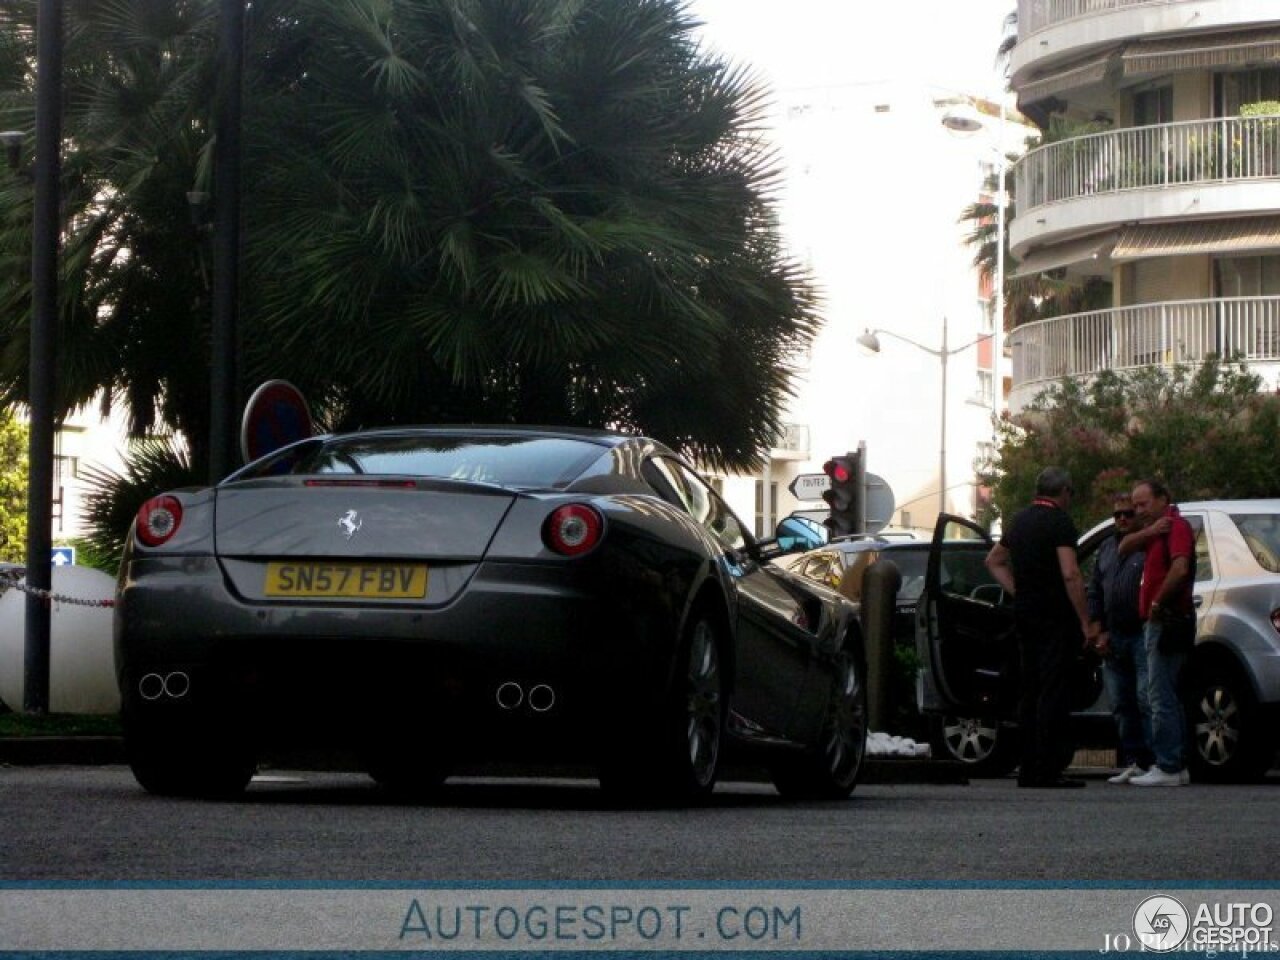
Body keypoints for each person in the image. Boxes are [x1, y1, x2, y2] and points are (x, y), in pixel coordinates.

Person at [986, 466, 1100, 789]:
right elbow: (1070, 573)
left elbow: (993, 560)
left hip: (1025, 614)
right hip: (1054, 616)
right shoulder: (1060, 522)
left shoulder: (1019, 521)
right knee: (1053, 690)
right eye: (1070, 493)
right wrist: (1084, 620)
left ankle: (1028, 765)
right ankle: (1048, 767)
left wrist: (1017, 589)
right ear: (1063, 492)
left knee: (1030, 688)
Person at [1120, 478, 1195, 787]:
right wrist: (1149, 530)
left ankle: (1168, 764)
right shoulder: (1157, 531)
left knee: (1159, 693)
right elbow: (1124, 545)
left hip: (1165, 620)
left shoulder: (1176, 528)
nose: (1139, 511)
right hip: (1158, 620)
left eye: (1144, 504)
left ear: (1163, 498)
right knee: (1164, 692)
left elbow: (1179, 568)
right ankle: (1172, 762)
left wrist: (1156, 603)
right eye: (1135, 506)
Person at [1086, 492, 1152, 784]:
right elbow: (1095, 590)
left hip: (1141, 633)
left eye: (1128, 513)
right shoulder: (1106, 549)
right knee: (1121, 703)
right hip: (1114, 636)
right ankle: (1135, 760)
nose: (1123, 519)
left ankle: (1156, 761)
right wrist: (1097, 627)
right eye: (1118, 515)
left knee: (1146, 698)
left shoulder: (1148, 546)